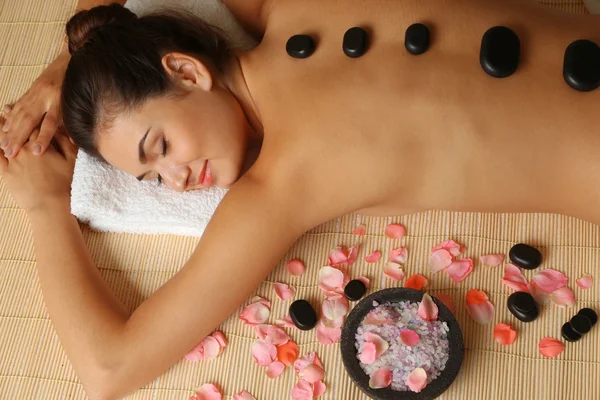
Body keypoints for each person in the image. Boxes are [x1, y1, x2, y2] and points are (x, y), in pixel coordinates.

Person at [0, 0, 598, 399]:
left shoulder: (282, 184)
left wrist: (44, 207)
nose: (177, 179)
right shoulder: (292, 7)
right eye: (153, 180)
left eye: (159, 146)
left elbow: (107, 369)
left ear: (185, 71)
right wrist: (73, 57)